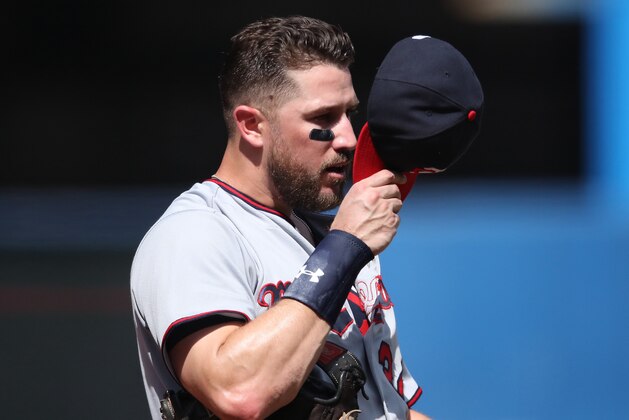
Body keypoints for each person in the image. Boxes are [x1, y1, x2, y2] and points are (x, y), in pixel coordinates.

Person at [131, 15, 430, 420]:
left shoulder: (328, 236)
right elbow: (239, 393)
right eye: (323, 119)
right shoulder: (194, 233)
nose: (346, 137)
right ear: (252, 125)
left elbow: (388, 413)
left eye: (348, 113)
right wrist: (346, 247)